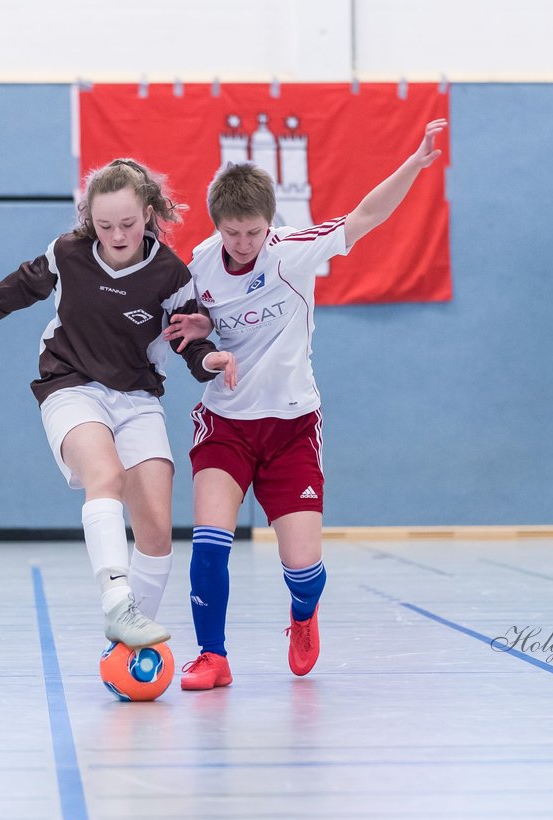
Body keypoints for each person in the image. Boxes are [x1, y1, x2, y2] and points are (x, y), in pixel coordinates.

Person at [164, 118, 449, 689]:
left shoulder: (292, 253)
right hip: (225, 423)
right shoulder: (197, 265)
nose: (243, 244)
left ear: (270, 225)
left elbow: (365, 215)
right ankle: (212, 657)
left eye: (253, 232)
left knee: (303, 570)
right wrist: (200, 334)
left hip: (292, 427)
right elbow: (187, 339)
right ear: (217, 226)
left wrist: (413, 167)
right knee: (210, 542)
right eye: (232, 233)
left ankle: (302, 613)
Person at [0, 158, 234, 649]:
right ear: (88, 221)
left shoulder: (169, 273)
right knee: (105, 478)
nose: (116, 235)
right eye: (104, 225)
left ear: (147, 214)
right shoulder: (69, 253)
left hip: (137, 396)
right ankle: (117, 602)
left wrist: (209, 361)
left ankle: (129, 643)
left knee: (157, 531)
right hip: (69, 384)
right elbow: (19, 287)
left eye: (127, 223)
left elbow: (189, 341)